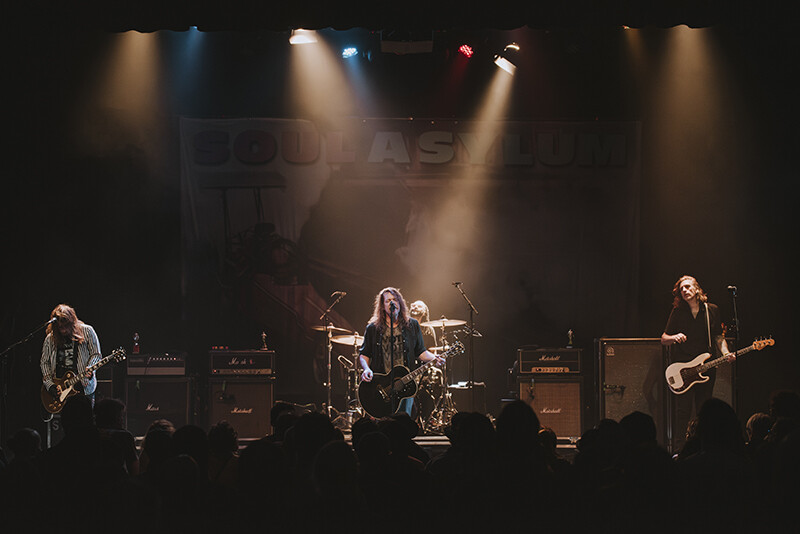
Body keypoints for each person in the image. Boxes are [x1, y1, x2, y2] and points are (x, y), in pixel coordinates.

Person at [661, 275, 732, 451]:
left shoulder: (711, 310)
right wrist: (674, 337)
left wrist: (726, 353)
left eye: (687, 287)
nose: (684, 291)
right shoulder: (678, 312)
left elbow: (718, 337)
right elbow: (664, 338)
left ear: (697, 289)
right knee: (682, 411)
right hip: (683, 368)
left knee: (704, 411)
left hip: (706, 368)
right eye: (681, 289)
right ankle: (679, 449)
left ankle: (704, 447)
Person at [359, 287, 443, 417]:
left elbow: (421, 352)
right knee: (383, 424)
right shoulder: (373, 328)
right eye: (388, 301)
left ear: (400, 303)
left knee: (402, 422)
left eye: (395, 299)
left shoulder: (412, 325)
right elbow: (364, 354)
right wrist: (366, 369)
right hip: (381, 383)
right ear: (382, 306)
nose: (392, 303)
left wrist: (434, 358)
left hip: (405, 383)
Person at [40, 303, 102, 408]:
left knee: (86, 420)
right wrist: (50, 385)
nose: (63, 330)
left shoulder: (87, 331)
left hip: (83, 386)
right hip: (60, 389)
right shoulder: (50, 338)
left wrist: (91, 368)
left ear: (72, 322)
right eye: (60, 327)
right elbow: (44, 362)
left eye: (66, 326)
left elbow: (96, 354)